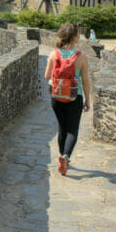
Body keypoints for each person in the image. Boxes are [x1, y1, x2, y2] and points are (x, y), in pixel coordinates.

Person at [44, 23, 93, 177]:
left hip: (56, 95)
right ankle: (65, 156)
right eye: (78, 34)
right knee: (72, 129)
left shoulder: (53, 54)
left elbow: (46, 76)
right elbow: (85, 81)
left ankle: (62, 156)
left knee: (62, 127)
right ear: (74, 37)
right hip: (74, 96)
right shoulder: (81, 57)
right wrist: (87, 100)